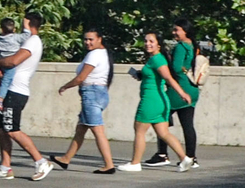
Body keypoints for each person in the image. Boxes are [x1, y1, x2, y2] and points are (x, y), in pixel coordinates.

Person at [0, 10, 52, 180]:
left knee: (12, 130)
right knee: (2, 129)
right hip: (10, 90)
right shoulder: (28, 40)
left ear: (27, 22)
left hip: (16, 92)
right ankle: (5, 167)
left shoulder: (32, 41)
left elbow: (13, 61)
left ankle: (41, 161)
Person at [118, 30, 193, 172]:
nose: (147, 44)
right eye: (146, 41)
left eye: (151, 41)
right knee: (164, 133)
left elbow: (169, 78)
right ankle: (184, 159)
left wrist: (182, 93)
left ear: (159, 45)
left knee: (139, 130)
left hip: (151, 101)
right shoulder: (154, 59)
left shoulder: (158, 60)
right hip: (159, 101)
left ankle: (135, 163)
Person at [52, 28, 116, 173]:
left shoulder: (94, 55)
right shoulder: (103, 53)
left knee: (98, 130)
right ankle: (66, 159)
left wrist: (64, 86)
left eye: (91, 39)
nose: (87, 42)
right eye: (85, 39)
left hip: (91, 94)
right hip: (100, 93)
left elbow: (81, 78)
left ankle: (109, 165)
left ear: (100, 39)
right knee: (81, 129)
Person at [167, 21, 205, 170]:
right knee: (188, 124)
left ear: (185, 31)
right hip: (192, 88)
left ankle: (162, 154)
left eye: (177, 30)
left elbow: (176, 67)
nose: (174, 33)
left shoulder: (181, 47)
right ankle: (192, 157)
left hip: (179, 88)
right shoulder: (194, 46)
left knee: (160, 120)